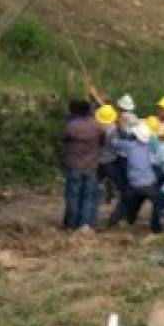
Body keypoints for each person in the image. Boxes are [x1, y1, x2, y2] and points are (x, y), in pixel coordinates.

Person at [63, 99, 104, 231]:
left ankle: (71, 224)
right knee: (88, 196)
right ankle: (84, 224)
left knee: (73, 196)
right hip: (91, 166)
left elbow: (64, 139)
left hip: (74, 165)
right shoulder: (97, 127)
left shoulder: (71, 126)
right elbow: (103, 141)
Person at [107, 122, 158, 227]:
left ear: (135, 135)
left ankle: (113, 221)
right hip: (150, 182)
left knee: (124, 203)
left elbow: (113, 142)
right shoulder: (149, 147)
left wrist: (118, 130)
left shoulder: (129, 146)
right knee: (157, 203)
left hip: (134, 183)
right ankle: (157, 222)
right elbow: (154, 161)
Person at [95, 104, 121, 205]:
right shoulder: (114, 129)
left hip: (98, 159)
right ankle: (110, 197)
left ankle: (97, 196)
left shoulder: (97, 127)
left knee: (97, 180)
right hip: (111, 159)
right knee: (112, 180)